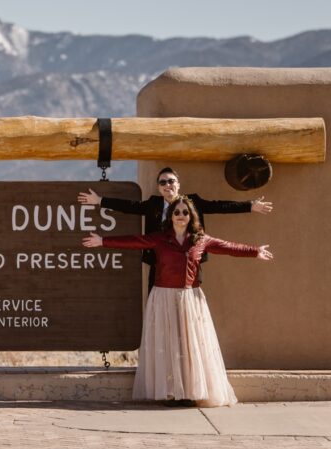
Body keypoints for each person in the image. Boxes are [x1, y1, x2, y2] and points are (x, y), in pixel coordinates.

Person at [83, 196, 272, 407]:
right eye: (177, 212)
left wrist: (255, 251)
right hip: (163, 297)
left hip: (190, 299)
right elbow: (134, 241)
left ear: (191, 216)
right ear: (170, 216)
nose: (181, 216)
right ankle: (172, 392)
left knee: (190, 346)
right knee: (168, 344)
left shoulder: (200, 240)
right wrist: (103, 241)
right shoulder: (160, 238)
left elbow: (227, 247)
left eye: (185, 212)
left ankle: (191, 391)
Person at [78, 166, 272, 286]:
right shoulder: (153, 203)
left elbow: (219, 206)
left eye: (171, 181)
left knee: (188, 307)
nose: (167, 185)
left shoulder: (192, 202)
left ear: (178, 184)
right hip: (159, 262)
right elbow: (129, 207)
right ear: (159, 187)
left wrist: (250, 206)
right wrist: (100, 201)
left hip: (189, 261)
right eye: (163, 182)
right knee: (158, 305)